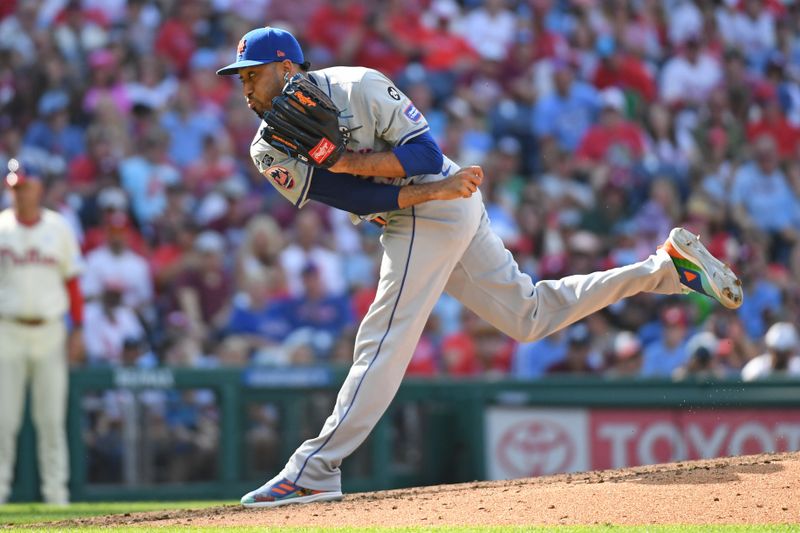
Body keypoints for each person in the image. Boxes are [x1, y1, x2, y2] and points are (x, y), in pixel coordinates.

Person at [216, 27, 743, 508]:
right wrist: (396, 178)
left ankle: (315, 469)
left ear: (286, 68)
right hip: (428, 205)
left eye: (251, 74)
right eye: (239, 79)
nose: (244, 89)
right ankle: (664, 270)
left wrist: (396, 175)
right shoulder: (268, 149)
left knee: (385, 340)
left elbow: (423, 154)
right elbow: (348, 195)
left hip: (437, 204)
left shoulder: (358, 85)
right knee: (529, 316)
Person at [0, 160, 84, 505]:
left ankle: (56, 497)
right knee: (4, 421)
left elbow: (73, 282)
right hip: (7, 329)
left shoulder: (59, 227)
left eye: (25, 186)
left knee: (50, 420)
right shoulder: (1, 227)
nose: (20, 192)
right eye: (15, 187)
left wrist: (77, 329)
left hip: (50, 331)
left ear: (39, 188)